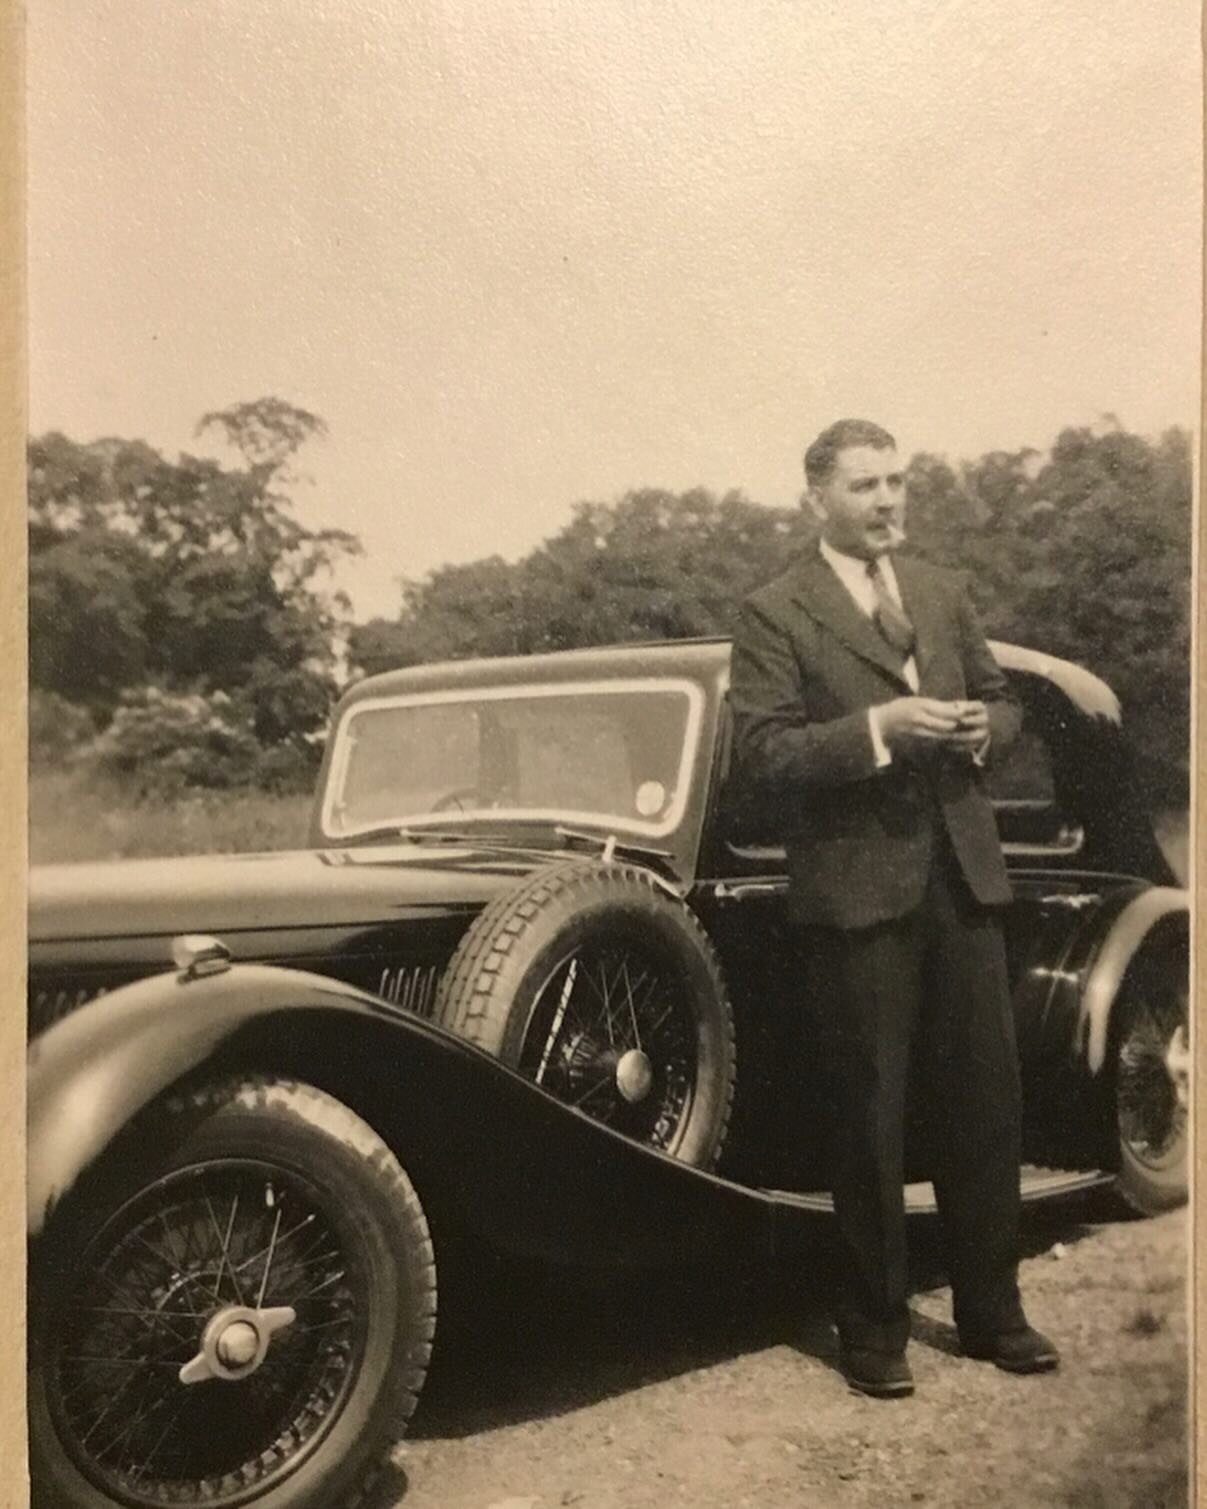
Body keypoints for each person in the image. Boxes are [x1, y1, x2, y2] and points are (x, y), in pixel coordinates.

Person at [729, 417, 1058, 1399]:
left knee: (984, 1107)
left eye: (897, 482)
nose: (888, 502)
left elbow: (1006, 704)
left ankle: (994, 1316)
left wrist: (973, 731)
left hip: (961, 878)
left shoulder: (941, 591)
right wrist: (877, 729)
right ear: (816, 498)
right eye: (867, 486)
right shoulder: (773, 609)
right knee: (866, 1118)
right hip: (854, 889)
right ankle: (872, 1330)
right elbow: (763, 756)